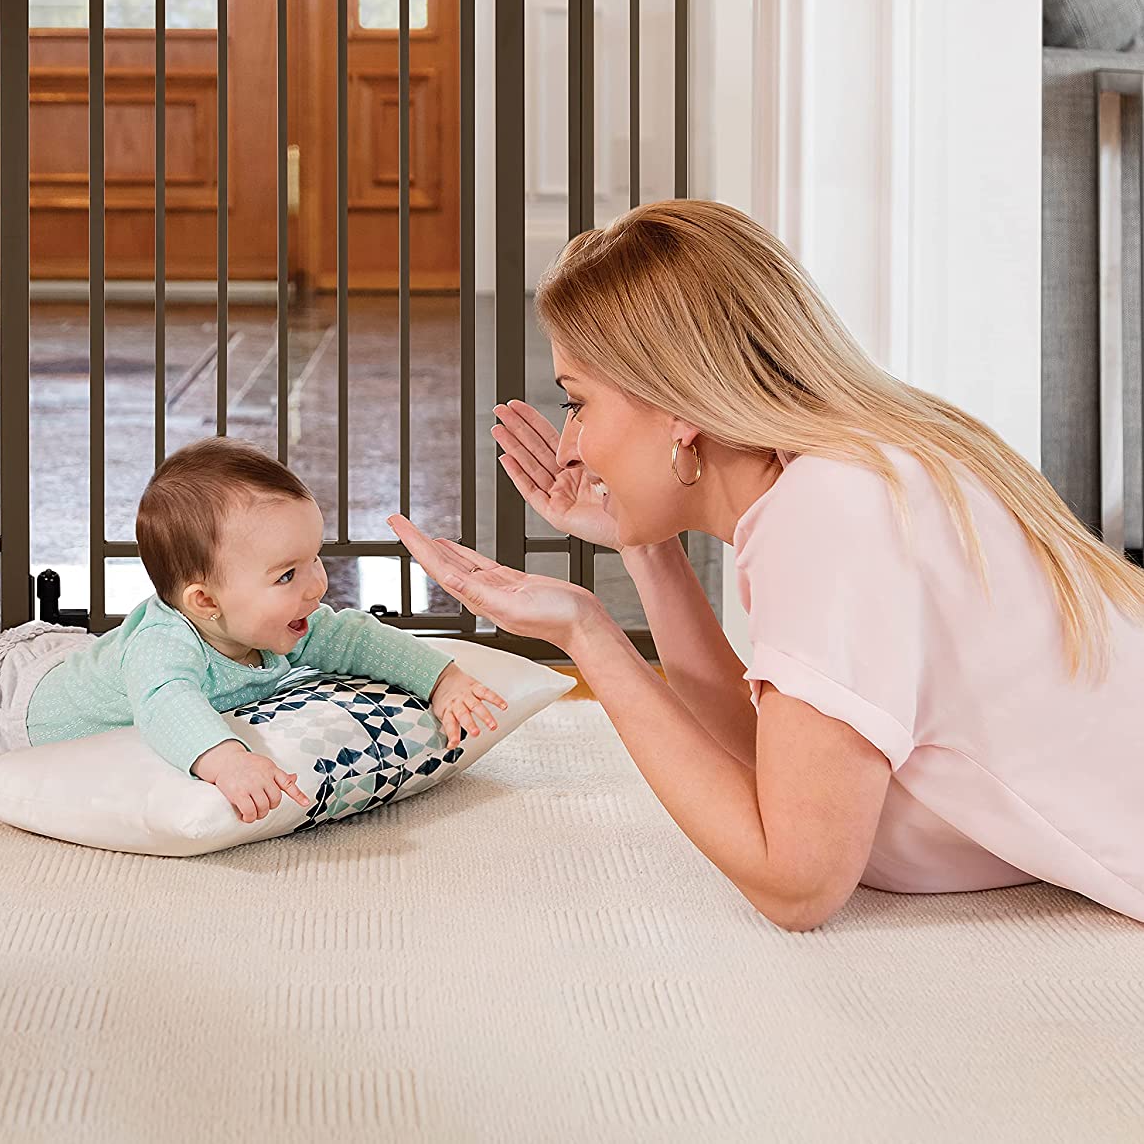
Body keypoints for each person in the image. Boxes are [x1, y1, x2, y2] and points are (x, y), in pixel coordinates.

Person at [389, 199, 1144, 930]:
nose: (568, 449)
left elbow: (797, 884)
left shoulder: (833, 514)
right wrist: (643, 547)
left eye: (576, 403)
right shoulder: (850, 476)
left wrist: (587, 634)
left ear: (679, 407)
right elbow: (772, 765)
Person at [0, 439, 507, 824]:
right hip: (1, 710)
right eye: (288, 574)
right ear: (204, 601)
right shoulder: (166, 648)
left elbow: (359, 639)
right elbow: (165, 705)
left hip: (63, 658)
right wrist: (226, 759)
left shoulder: (282, 624)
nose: (318, 585)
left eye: (314, 559)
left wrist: (442, 680)